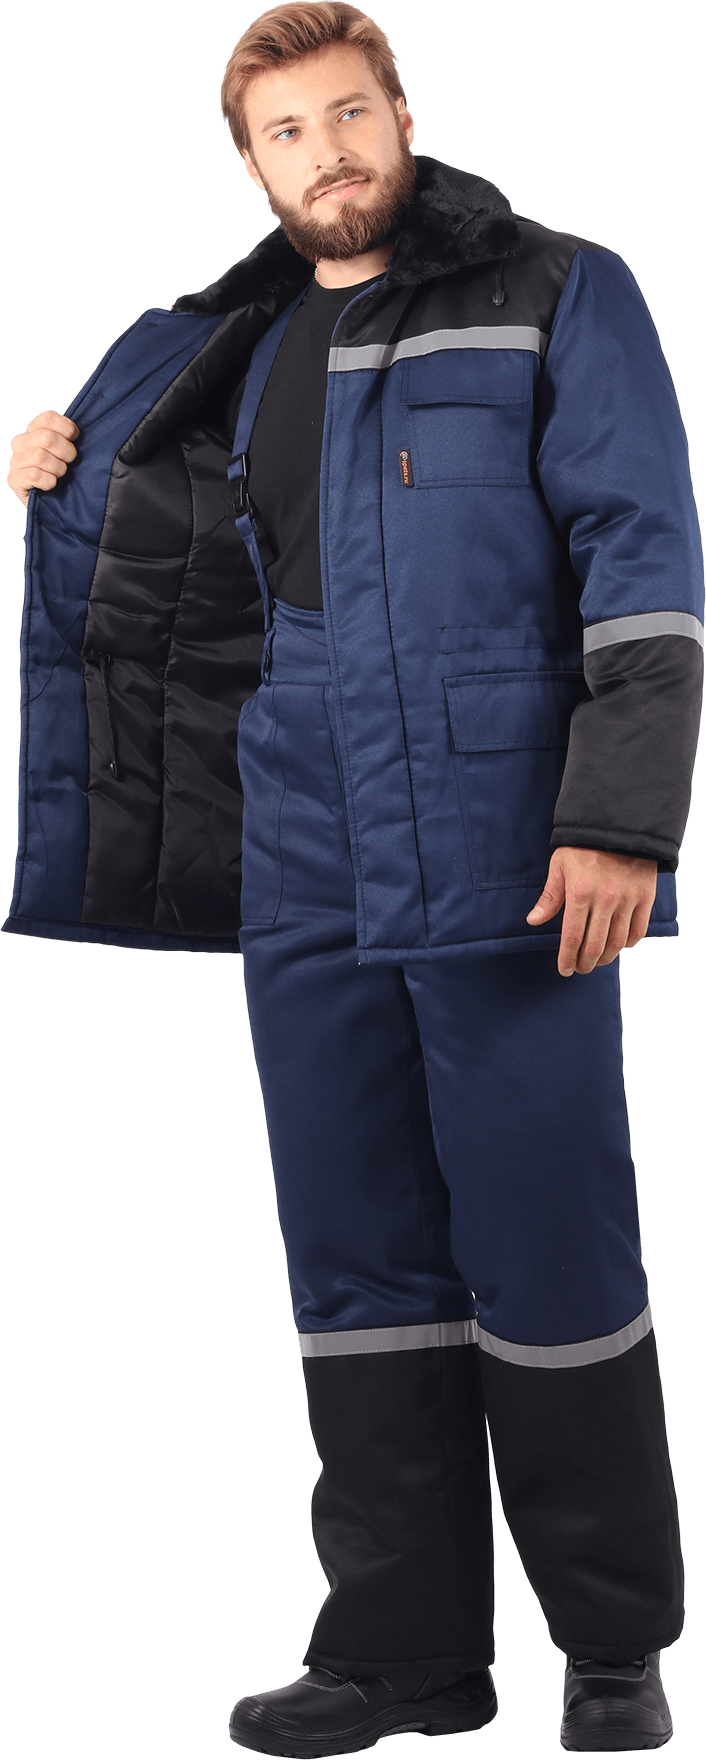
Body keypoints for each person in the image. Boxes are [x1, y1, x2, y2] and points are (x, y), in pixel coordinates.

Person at [6, 3, 702, 1751]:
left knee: (545, 1229)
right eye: (286, 133)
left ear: (401, 112)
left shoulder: (558, 288)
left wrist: (622, 818)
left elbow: (641, 553)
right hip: (298, 828)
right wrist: (53, 475)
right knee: (353, 1245)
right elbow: (170, 572)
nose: (326, 154)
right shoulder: (223, 339)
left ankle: (609, 1648)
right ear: (252, 167)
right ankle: (402, 1656)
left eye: (346, 114)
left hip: (504, 824)